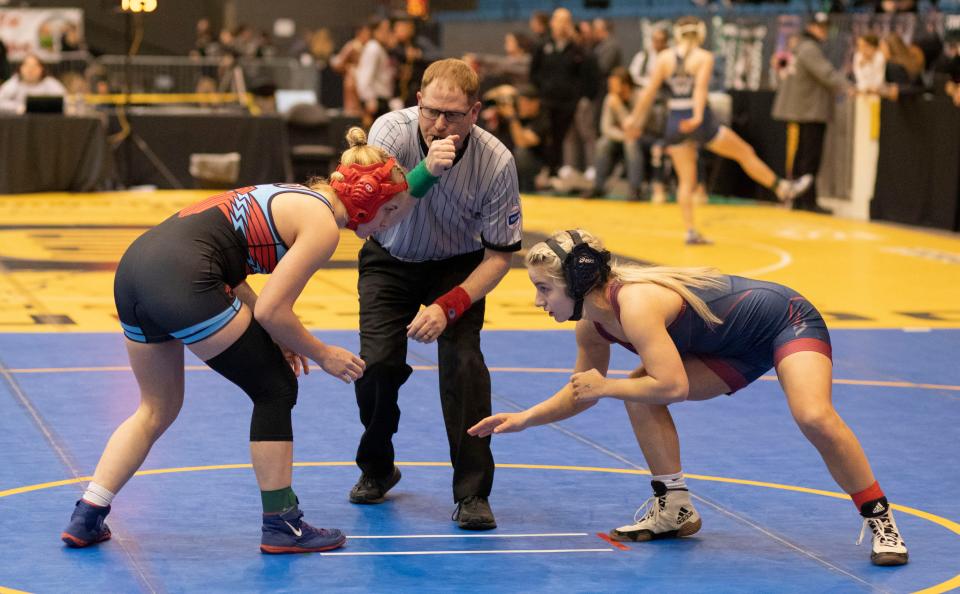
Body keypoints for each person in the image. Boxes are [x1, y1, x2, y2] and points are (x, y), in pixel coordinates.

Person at [59, 126, 455, 554]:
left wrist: (279, 335)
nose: (390, 225)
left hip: (136, 272)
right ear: (367, 202)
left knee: (156, 407)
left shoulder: (295, 196)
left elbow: (236, 275)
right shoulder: (322, 225)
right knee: (275, 388)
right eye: (392, 212)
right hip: (184, 279)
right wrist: (322, 354)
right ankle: (282, 523)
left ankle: (88, 513)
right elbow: (270, 310)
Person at [469, 229, 910, 567]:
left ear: (580, 282)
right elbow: (583, 391)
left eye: (545, 289)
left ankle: (881, 521)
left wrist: (607, 387)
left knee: (813, 415)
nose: (537, 300)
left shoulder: (636, 305)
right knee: (638, 389)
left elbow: (673, 386)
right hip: (729, 347)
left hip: (785, 321)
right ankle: (675, 508)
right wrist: (524, 418)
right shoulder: (593, 323)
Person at [350, 58, 522, 531]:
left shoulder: (496, 161)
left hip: (458, 268)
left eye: (453, 115)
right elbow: (372, 214)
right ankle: (378, 467)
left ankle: (472, 494)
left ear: (476, 112)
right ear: (418, 101)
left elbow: (500, 256)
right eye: (431, 112)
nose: (439, 124)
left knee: (465, 367)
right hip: (390, 260)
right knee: (378, 365)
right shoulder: (388, 133)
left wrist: (450, 307)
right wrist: (426, 169)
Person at [626, 17, 812, 245]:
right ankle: (781, 187)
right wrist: (696, 116)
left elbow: (649, 93)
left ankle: (690, 230)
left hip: (675, 120)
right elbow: (700, 89)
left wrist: (633, 119)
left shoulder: (665, 58)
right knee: (744, 151)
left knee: (686, 181)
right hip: (699, 120)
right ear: (701, 34)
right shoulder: (703, 57)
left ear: (677, 34)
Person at [771, 14, 848, 214]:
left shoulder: (798, 46)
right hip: (809, 110)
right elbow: (827, 75)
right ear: (811, 27)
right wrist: (851, 87)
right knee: (809, 157)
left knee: (801, 156)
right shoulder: (809, 48)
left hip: (801, 109)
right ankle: (807, 200)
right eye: (820, 27)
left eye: (826, 27)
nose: (824, 31)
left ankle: (798, 199)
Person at [0, 53, 67, 113]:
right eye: (27, 66)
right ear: (20, 68)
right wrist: (18, 108)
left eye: (35, 66)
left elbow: (65, 101)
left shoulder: (50, 83)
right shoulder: (14, 83)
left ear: (42, 69)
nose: (30, 70)